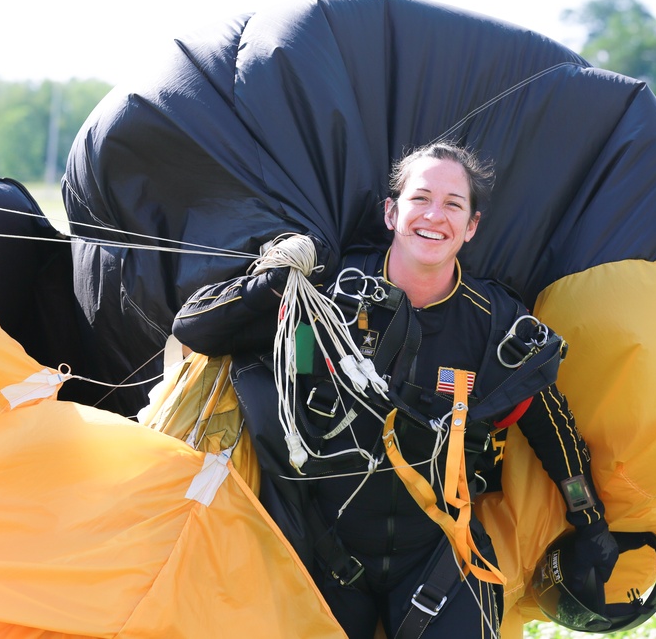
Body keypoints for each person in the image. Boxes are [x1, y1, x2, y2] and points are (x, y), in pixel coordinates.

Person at [172, 142, 618, 638]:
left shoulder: (495, 326)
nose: (434, 216)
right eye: (420, 199)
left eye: (453, 204)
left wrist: (590, 519)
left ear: (471, 226)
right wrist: (266, 287)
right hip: (320, 551)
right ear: (391, 212)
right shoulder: (324, 295)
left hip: (441, 555)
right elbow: (195, 329)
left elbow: (547, 422)